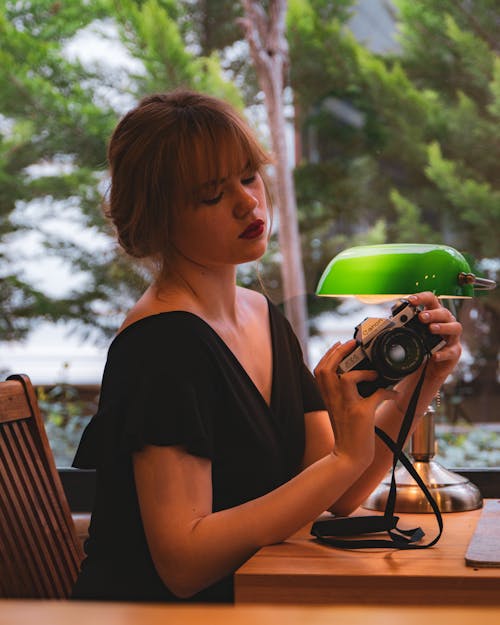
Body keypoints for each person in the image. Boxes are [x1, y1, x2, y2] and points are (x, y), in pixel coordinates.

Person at [71, 89, 463, 603]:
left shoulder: (258, 312)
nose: (248, 203)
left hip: (254, 603)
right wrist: (344, 458)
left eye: (248, 175)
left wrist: (418, 382)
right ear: (159, 217)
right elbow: (183, 565)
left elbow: (339, 492)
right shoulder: (161, 346)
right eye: (212, 194)